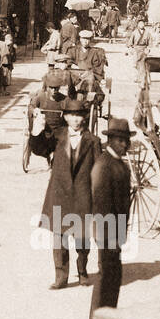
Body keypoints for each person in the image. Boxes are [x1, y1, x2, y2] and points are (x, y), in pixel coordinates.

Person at [41, 96, 100, 289]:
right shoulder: (57, 136)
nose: (75, 120)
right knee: (59, 238)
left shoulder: (93, 141)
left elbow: (98, 169)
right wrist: (36, 132)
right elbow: (40, 147)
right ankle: (61, 276)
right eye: (71, 116)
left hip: (83, 194)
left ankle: (82, 271)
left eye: (78, 116)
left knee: (82, 237)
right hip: (60, 193)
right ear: (65, 117)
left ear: (84, 118)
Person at [89, 118, 133, 319]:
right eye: (119, 140)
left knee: (114, 279)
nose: (124, 145)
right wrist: (112, 238)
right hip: (107, 234)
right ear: (110, 141)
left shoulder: (119, 165)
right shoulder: (104, 165)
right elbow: (101, 206)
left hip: (116, 233)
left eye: (126, 141)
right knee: (106, 278)